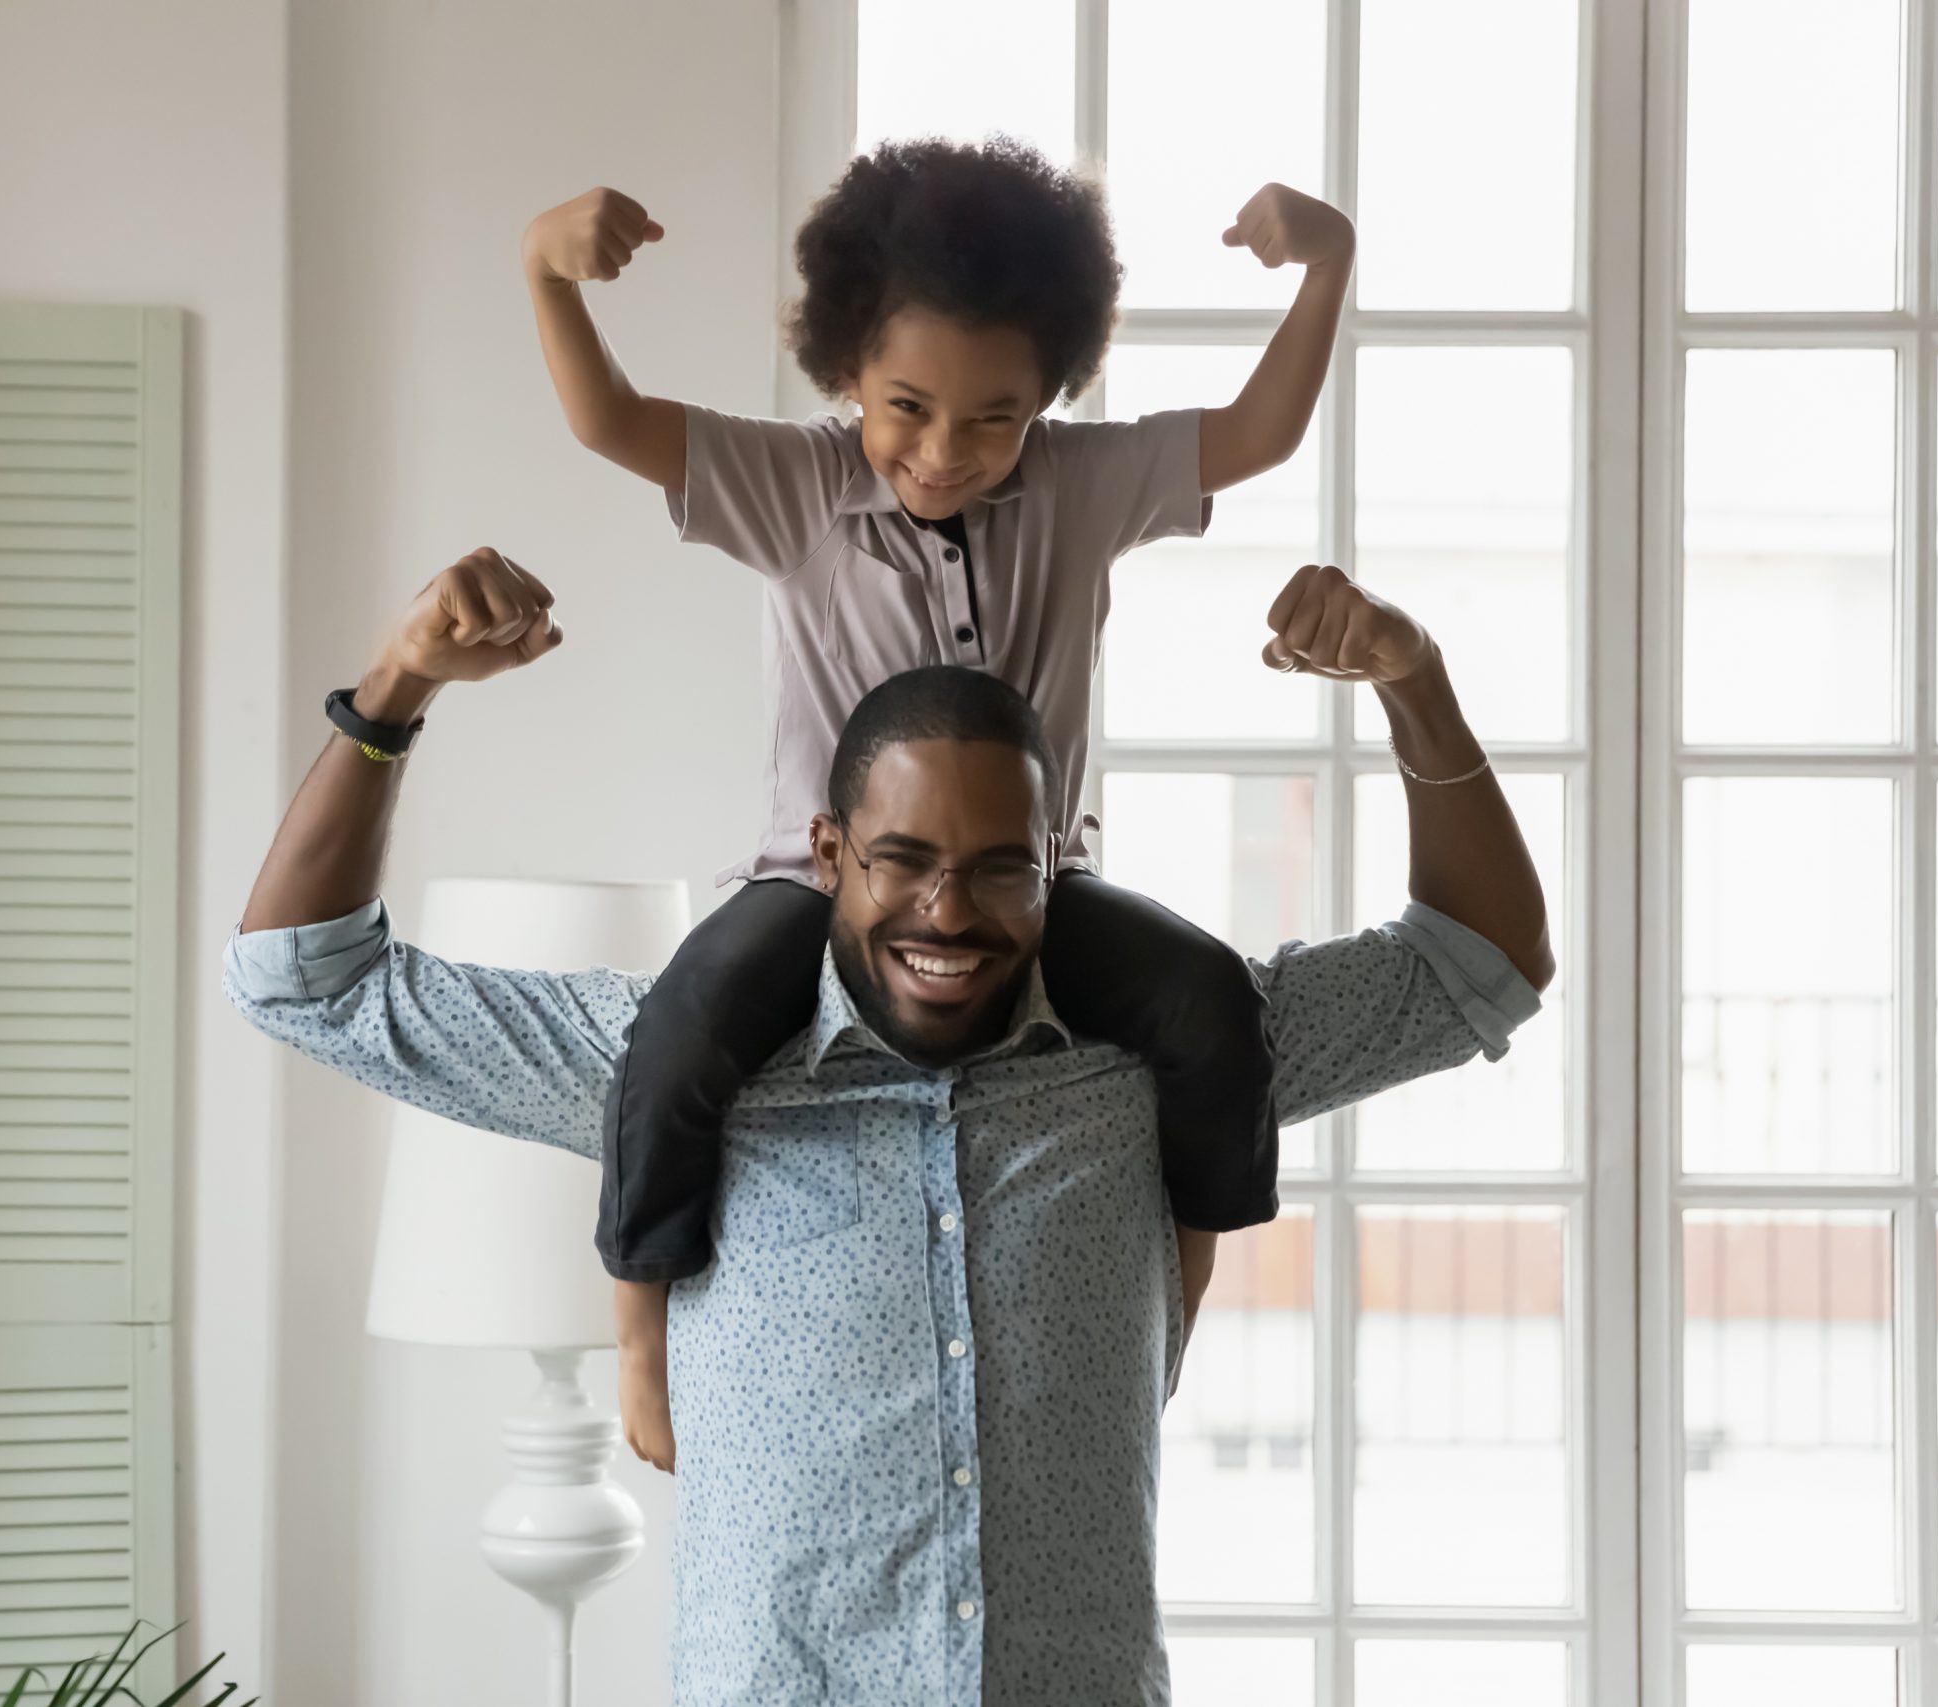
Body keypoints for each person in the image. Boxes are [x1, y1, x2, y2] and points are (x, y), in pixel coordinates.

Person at [225, 546, 1552, 1705]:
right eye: (903, 860)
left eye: (997, 869)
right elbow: (304, 977)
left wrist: (1413, 678)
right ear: (827, 852)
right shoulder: (667, 1067)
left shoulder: (1157, 1064)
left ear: (1055, 867)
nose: (947, 913)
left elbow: (1482, 961)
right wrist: (396, 689)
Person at [521, 137, 1359, 1470]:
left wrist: (1326, 270)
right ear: (846, 367)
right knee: (677, 1033)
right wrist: (549, 277)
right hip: (822, 892)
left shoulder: (1083, 488)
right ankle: (637, 1328)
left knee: (1210, 1007)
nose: (946, 451)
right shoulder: (795, 487)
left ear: (1049, 397)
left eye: (995, 417)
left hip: (1040, 890)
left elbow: (1257, 433)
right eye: (906, 407)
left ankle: (1178, 1303)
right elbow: (610, 422)